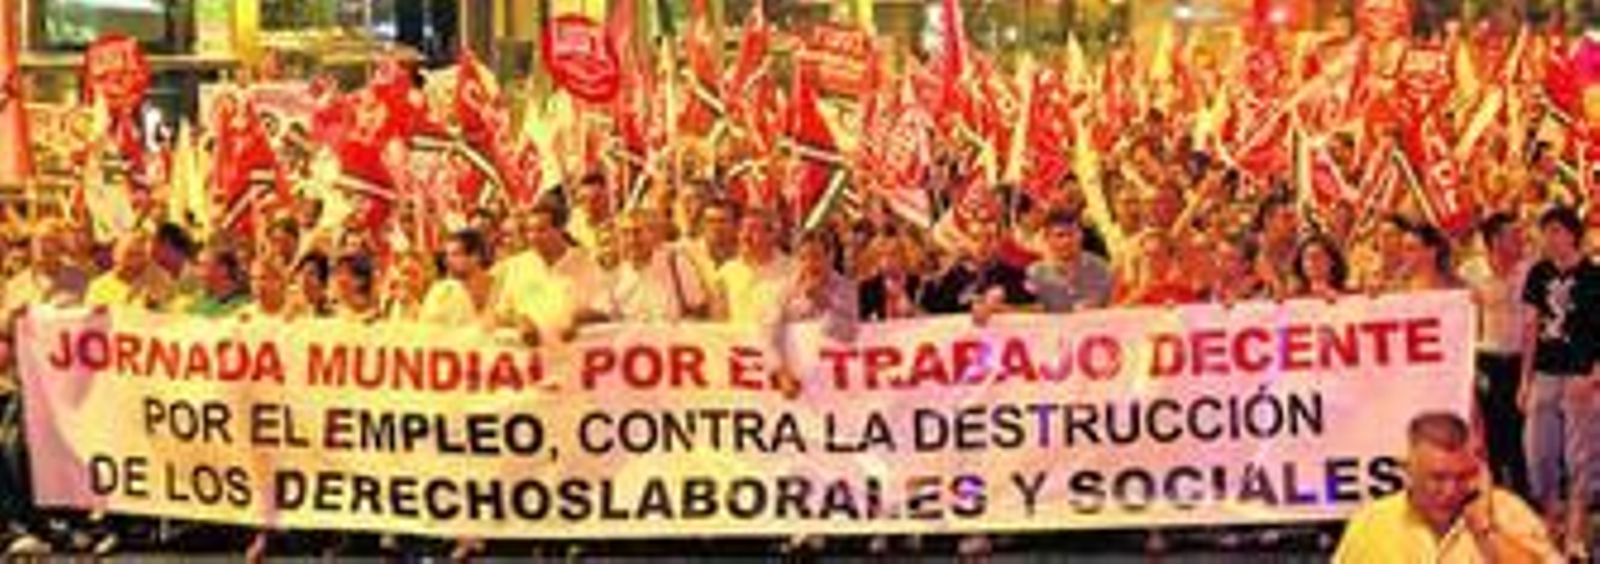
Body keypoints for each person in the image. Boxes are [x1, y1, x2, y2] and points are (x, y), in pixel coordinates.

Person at [1334, 411, 1557, 563]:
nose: (1450, 490)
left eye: (1462, 476)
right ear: (1408, 471)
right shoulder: (1371, 523)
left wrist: (1485, 530)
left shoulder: (1507, 513)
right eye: (1437, 478)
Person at [1518, 206, 1600, 559]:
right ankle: (1551, 523)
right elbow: (1531, 328)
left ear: (1572, 233)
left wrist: (1595, 375)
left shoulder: (1595, 277)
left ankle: (1577, 533)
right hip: (1545, 374)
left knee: (1580, 457)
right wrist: (1525, 379)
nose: (1549, 240)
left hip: (1582, 374)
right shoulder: (1538, 274)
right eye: (1545, 232)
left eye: (1555, 232)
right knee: (1539, 454)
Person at [1459, 212, 1532, 497]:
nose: (1520, 240)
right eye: (1513, 235)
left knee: (1520, 431)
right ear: (1494, 241)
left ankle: (1524, 495)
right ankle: (1496, 492)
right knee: (1490, 429)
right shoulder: (1470, 272)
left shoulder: (1530, 271)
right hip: (1486, 360)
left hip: (1521, 360)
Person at [602, 210, 710, 323]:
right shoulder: (614, 274)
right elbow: (606, 315)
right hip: (631, 339)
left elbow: (699, 308)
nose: (631, 240)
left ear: (653, 235)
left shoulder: (675, 263)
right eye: (625, 233)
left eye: (637, 232)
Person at [1026, 210, 1113, 312]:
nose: (1066, 241)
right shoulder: (1035, 273)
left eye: (1071, 234)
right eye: (1060, 235)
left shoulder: (1101, 269)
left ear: (1081, 235)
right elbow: (1032, 311)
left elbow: (1114, 306)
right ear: (1047, 239)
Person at [419, 229, 497, 329]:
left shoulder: (502, 287)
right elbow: (427, 330)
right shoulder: (441, 292)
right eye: (446, 256)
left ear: (475, 257)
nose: (447, 262)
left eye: (455, 255)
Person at [1291, 233, 1351, 299]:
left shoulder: (1349, 296)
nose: (1311, 262)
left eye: (1317, 256)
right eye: (1307, 258)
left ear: (1332, 261)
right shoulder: (1293, 298)